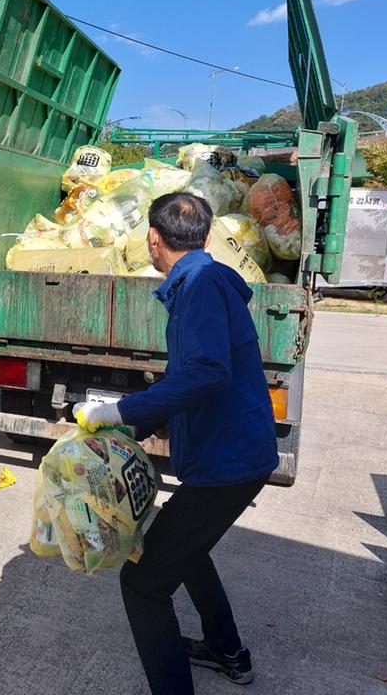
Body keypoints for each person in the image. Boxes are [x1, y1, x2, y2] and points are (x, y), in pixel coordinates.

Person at [74, 192, 279, 693]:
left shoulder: (201, 285)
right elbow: (198, 377)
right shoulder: (201, 282)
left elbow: (207, 373)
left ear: (152, 240)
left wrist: (121, 410)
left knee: (143, 583)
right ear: (206, 238)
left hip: (228, 462)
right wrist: (145, 426)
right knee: (187, 549)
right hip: (230, 454)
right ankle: (229, 652)